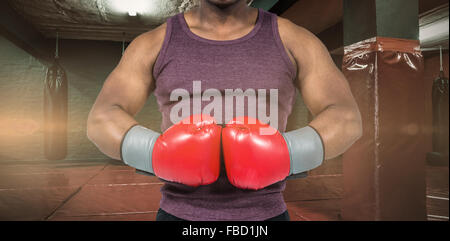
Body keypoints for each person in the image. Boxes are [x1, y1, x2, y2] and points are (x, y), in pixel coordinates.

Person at [87, 0, 362, 221]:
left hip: (266, 217)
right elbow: (101, 118)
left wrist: (287, 153)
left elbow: (346, 117)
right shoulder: (153, 44)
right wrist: (156, 153)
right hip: (178, 216)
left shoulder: (295, 40)